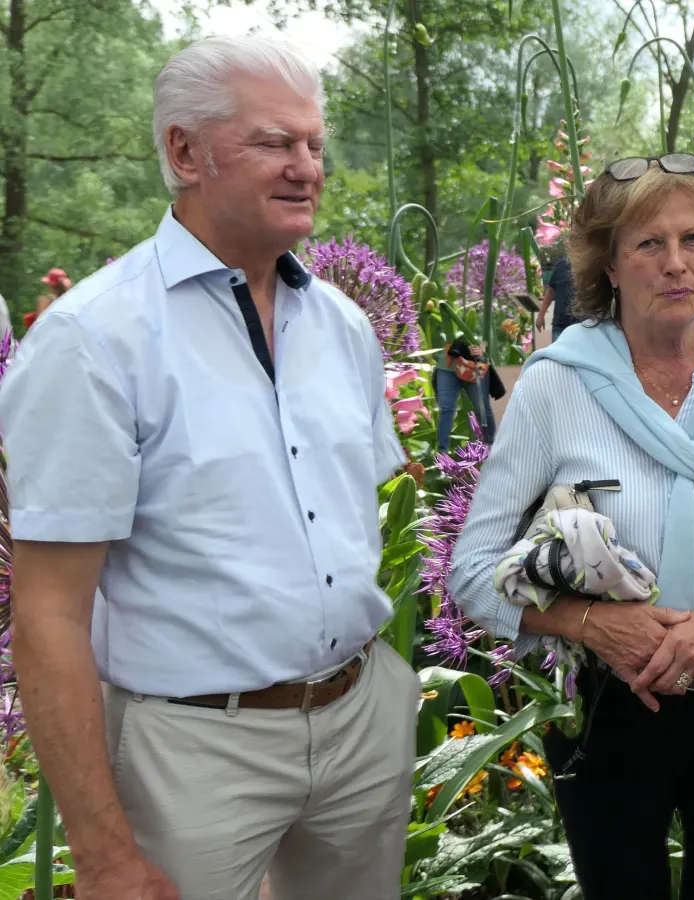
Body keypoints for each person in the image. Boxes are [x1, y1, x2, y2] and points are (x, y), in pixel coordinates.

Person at [0, 34, 418, 900]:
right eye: (274, 142)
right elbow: (48, 614)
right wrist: (103, 856)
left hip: (362, 721)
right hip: (194, 750)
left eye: (314, 144)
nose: (306, 167)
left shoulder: (343, 327)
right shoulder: (93, 341)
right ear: (185, 153)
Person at [448, 151, 694, 899]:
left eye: (693, 240)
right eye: (648, 243)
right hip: (606, 704)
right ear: (609, 265)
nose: (675, 263)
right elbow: (472, 568)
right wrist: (592, 624)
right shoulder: (556, 387)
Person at [434, 334, 502, 452]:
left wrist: (482, 349)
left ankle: (490, 446)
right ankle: (442, 452)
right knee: (446, 409)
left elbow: (491, 338)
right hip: (447, 366)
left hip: (474, 367)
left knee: (482, 407)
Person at [537, 251, 578, 343]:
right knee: (557, 352)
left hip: (582, 325)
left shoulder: (588, 265)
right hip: (560, 325)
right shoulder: (560, 265)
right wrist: (541, 316)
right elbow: (550, 292)